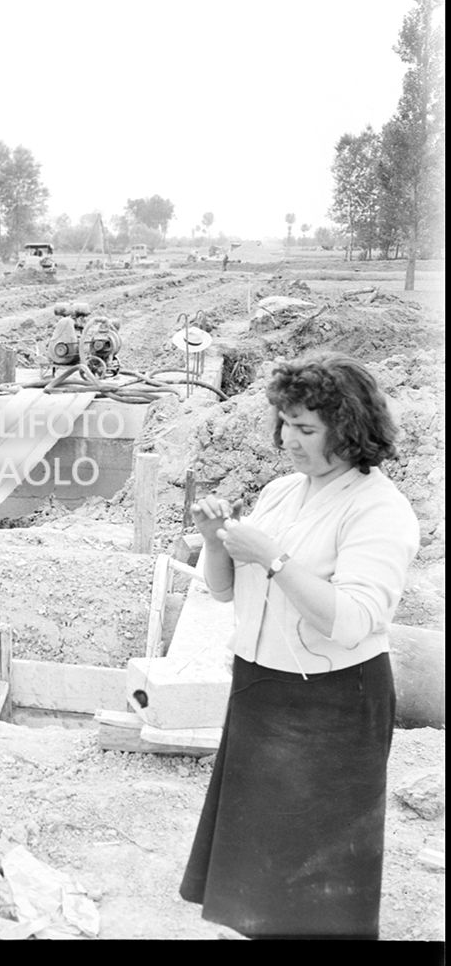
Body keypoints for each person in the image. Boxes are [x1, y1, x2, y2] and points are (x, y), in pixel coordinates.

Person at [179, 352, 420, 940]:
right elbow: (224, 592)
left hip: (332, 702)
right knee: (257, 846)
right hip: (262, 686)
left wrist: (272, 556)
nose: (289, 439)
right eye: (284, 423)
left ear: (350, 431)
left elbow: (353, 620)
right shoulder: (284, 492)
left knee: (316, 869)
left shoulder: (379, 510)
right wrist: (217, 542)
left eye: (306, 429)